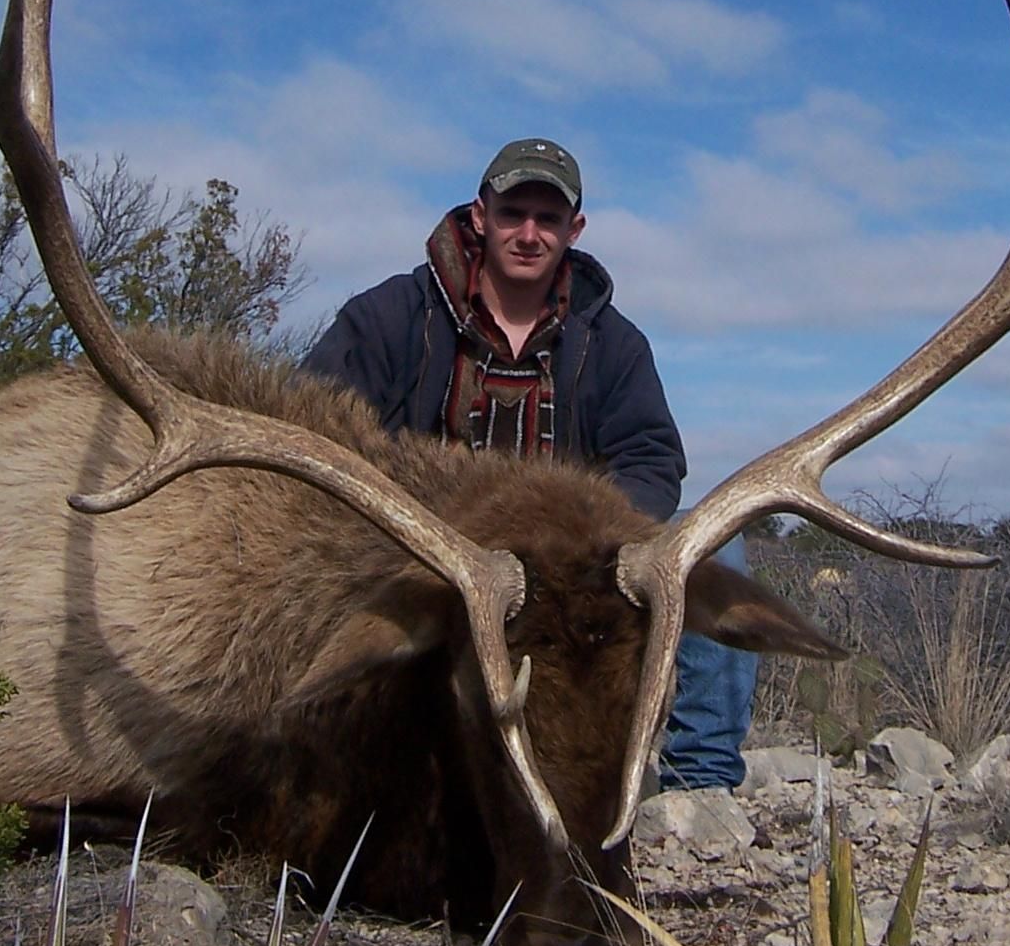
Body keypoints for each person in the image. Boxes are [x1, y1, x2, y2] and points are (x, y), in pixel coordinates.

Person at [302, 136, 755, 790]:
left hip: (574, 570)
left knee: (719, 553)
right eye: (514, 213)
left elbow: (652, 459)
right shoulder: (390, 318)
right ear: (481, 216)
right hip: (431, 557)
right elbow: (313, 430)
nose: (529, 233)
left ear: (574, 230)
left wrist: (596, 538)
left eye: (548, 219)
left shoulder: (614, 344)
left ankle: (702, 789)